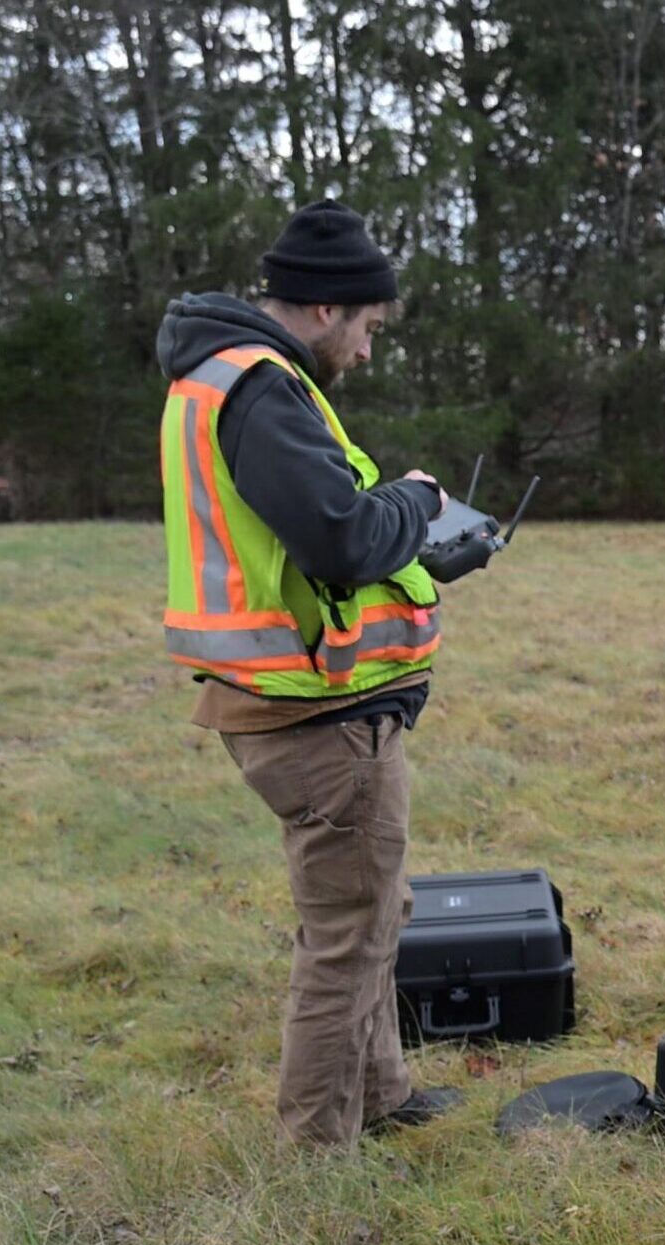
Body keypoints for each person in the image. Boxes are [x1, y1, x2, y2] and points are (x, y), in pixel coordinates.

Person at [154, 198, 462, 1146]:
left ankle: (382, 1093)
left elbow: (315, 539)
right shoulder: (260, 387)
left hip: (311, 704)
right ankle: (316, 1156)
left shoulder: (233, 378)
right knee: (346, 937)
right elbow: (338, 539)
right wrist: (414, 502)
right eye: (368, 327)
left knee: (373, 907)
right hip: (316, 717)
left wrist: (418, 543)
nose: (368, 350)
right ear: (328, 308)